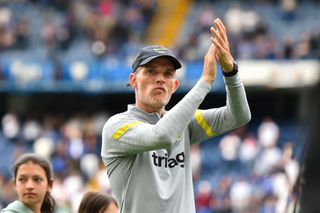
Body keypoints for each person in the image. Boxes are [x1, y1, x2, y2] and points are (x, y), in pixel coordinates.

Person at [101, 18, 251, 213]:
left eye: (168, 74)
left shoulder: (184, 123)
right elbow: (161, 135)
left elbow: (238, 116)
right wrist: (205, 82)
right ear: (133, 81)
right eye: (151, 71)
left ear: (175, 86)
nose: (160, 79)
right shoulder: (116, 126)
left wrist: (230, 72)